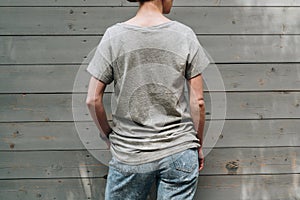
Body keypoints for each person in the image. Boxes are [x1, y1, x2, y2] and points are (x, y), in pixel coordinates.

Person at [85, 0, 209, 199]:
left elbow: (92, 99)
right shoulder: (184, 35)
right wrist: (198, 145)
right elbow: (198, 102)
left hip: (130, 153)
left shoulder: (114, 36)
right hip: (179, 151)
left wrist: (108, 135)